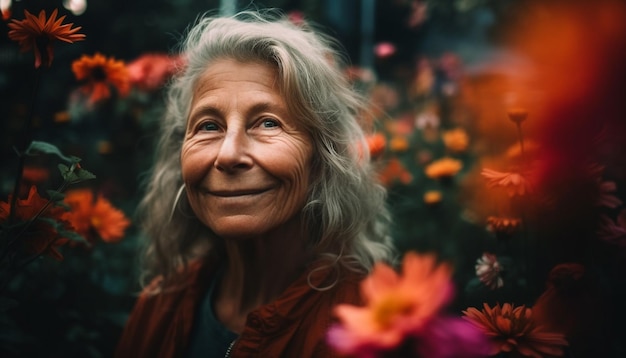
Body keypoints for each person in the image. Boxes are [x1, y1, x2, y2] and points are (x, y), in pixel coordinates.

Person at [115, 9, 395, 358]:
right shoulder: (161, 305)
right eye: (208, 126)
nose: (228, 155)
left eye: (267, 123)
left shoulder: (370, 325)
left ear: (323, 156)